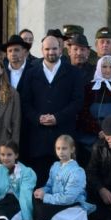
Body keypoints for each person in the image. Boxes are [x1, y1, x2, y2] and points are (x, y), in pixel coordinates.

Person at [19, 34, 83, 176]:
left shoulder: (73, 73)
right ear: (42, 50)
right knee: (39, 186)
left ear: (61, 50)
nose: (51, 52)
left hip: (64, 137)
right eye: (47, 49)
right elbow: (25, 102)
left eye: (54, 48)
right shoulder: (30, 73)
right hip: (38, 140)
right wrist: (37, 118)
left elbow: (77, 102)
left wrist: (57, 118)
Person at [33, 133, 94, 220]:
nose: (61, 152)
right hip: (56, 200)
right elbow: (49, 185)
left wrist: (46, 197)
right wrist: (42, 190)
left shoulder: (77, 171)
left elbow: (68, 198)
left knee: (41, 210)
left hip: (70, 204)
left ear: (72, 149)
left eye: (64, 148)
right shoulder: (55, 166)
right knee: (33, 199)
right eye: (58, 148)